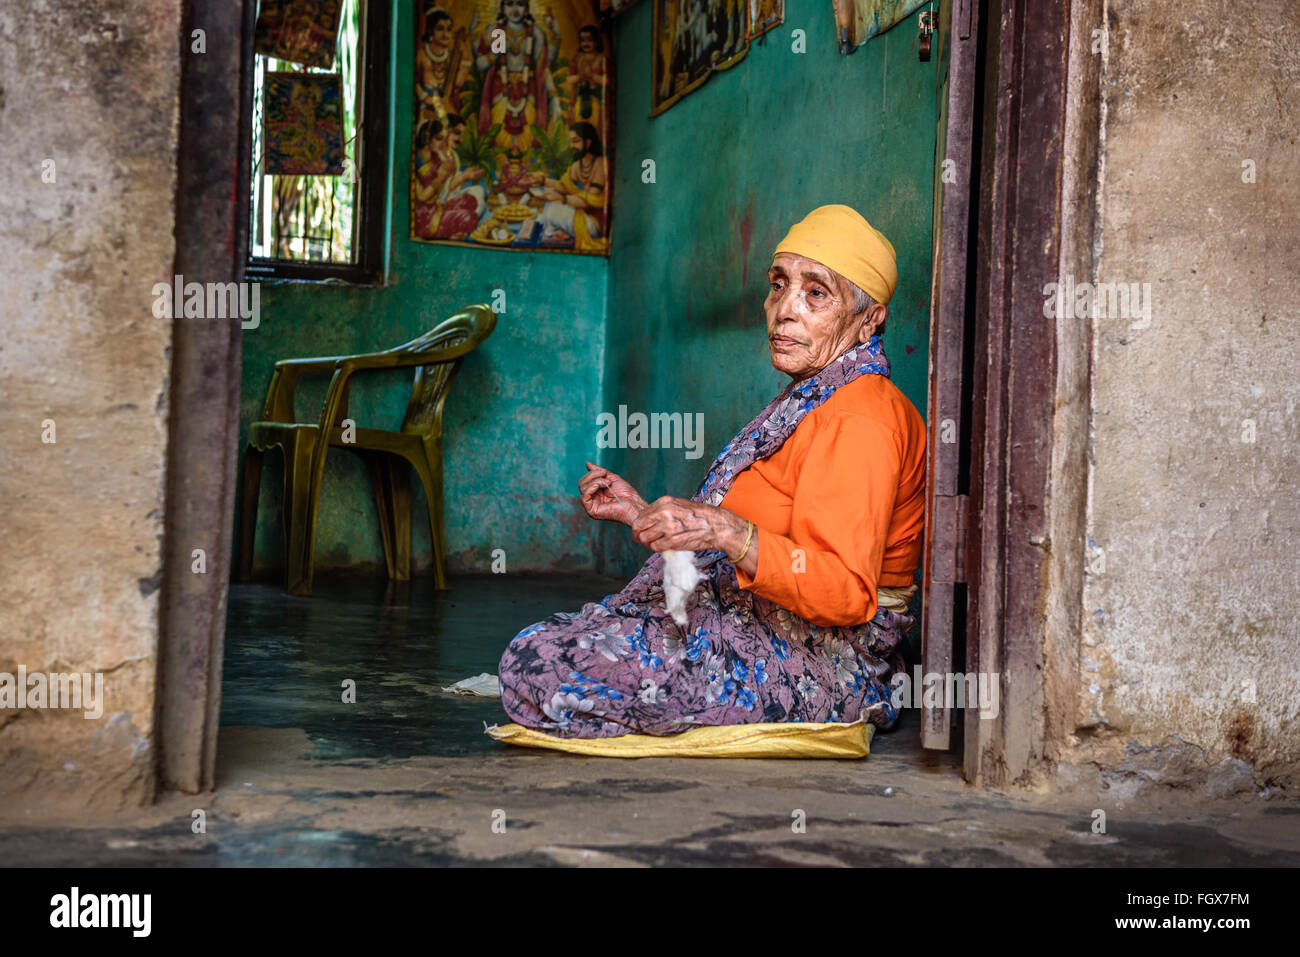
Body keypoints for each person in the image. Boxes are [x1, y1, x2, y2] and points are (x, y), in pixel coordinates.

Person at [498, 205, 927, 736]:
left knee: (540, 664)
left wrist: (723, 530)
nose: (783, 310)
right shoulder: (815, 398)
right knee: (552, 648)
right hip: (765, 623)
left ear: (869, 319)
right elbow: (762, 527)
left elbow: (842, 590)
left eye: (816, 293)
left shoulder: (861, 416)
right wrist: (643, 513)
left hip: (828, 659)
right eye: (778, 285)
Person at [529, 122, 607, 251]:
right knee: (551, 207)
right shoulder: (578, 165)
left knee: (553, 211)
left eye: (576, 141)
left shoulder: (600, 164)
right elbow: (564, 186)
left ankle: (559, 231)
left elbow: (589, 202)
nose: (572, 146)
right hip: (583, 214)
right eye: (571, 142)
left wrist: (561, 198)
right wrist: (541, 180)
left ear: (588, 142)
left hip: (596, 222)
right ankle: (561, 231)